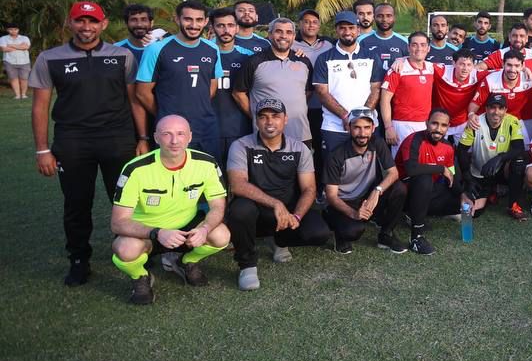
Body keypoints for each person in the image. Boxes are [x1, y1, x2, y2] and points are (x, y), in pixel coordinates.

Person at [31, 1, 148, 286]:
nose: (87, 27)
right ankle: (79, 260)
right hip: (73, 141)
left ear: (103, 24)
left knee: (126, 201)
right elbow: (40, 106)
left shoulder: (121, 56)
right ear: (70, 23)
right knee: (77, 203)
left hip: (117, 139)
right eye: (80, 21)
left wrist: (143, 138)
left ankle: (137, 251)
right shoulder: (50, 58)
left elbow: (134, 100)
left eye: (93, 21)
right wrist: (42, 149)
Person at [109, 115, 231, 304]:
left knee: (222, 235)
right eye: (167, 134)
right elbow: (118, 223)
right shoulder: (135, 169)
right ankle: (140, 276)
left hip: (186, 229)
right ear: (156, 138)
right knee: (125, 249)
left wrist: (205, 229)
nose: (175, 141)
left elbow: (217, 206)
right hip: (148, 231)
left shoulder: (207, 164)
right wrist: (157, 233)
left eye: (180, 134)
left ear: (190, 137)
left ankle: (187, 261)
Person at [225, 99, 329, 290]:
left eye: (275, 116)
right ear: (256, 121)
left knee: (319, 233)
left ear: (285, 119)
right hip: (255, 211)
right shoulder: (240, 145)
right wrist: (275, 204)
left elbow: (309, 189)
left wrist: (297, 216)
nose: (269, 122)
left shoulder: (299, 148)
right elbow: (237, 185)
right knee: (240, 210)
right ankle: (247, 265)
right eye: (263, 117)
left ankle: (279, 241)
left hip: (287, 212)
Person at [135, 0, 222, 155]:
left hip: (207, 128)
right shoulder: (156, 49)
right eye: (188, 19)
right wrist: (166, 115)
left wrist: (197, 108)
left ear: (206, 21)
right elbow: (142, 92)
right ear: (177, 19)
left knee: (210, 169)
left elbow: (212, 86)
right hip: (172, 131)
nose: (194, 25)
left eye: (199, 20)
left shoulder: (212, 48)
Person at [322, 108, 407, 254]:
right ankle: (337, 229)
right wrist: (353, 214)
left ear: (373, 128)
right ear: (349, 128)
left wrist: (377, 191)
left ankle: (386, 234)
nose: (362, 133)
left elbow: (394, 173)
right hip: (343, 201)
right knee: (353, 231)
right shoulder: (336, 155)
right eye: (357, 127)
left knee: (399, 188)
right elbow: (331, 196)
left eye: (367, 127)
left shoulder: (377, 143)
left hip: (366, 196)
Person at [312, 11, 384, 157]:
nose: (347, 32)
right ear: (336, 30)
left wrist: (361, 118)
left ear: (358, 30)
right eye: (342, 28)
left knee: (367, 167)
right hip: (334, 127)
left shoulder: (371, 56)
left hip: (366, 126)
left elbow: (376, 89)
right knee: (334, 167)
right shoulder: (324, 58)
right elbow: (322, 93)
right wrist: (345, 116)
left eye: (351, 28)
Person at [233, 17, 314, 147]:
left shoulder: (304, 62)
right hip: (266, 134)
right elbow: (238, 93)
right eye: (278, 31)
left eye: (288, 32)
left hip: (300, 133)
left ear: (294, 36)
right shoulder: (254, 62)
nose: (283, 36)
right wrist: (257, 116)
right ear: (270, 35)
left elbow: (308, 92)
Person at [395, 108, 463, 255]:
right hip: (404, 193)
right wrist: (440, 168)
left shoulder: (448, 147)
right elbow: (411, 169)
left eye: (443, 125)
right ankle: (416, 237)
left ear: (448, 127)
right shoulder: (414, 140)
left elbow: (451, 176)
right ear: (426, 123)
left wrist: (463, 196)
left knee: (460, 204)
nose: (438, 129)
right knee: (424, 179)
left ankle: (413, 215)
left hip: (428, 192)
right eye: (434, 123)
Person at [457, 93, 528, 221]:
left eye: (500, 108)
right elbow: (461, 150)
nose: (496, 112)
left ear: (505, 110)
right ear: (486, 109)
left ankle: (513, 205)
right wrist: (467, 177)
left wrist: (500, 158)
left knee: (518, 161)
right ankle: (492, 191)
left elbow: (519, 148)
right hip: (481, 172)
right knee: (475, 212)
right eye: (492, 107)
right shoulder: (475, 122)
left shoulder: (512, 121)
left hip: (501, 169)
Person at [208, 7, 254, 164]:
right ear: (212, 27)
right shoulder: (202, 53)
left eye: (230, 25)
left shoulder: (248, 57)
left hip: (240, 129)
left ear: (237, 28)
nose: (226, 30)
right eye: (220, 25)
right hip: (208, 129)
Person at [378, 31, 435, 149]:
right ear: (408, 48)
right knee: (402, 159)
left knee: (422, 158)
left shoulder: (432, 67)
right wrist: (388, 127)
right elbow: (384, 100)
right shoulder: (397, 69)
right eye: (414, 45)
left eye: (423, 45)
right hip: (402, 125)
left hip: (426, 124)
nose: (419, 48)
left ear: (428, 48)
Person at [471, 49, 532, 141]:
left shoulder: (530, 79)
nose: (512, 70)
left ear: (522, 66)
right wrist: (471, 114)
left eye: (517, 66)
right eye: (509, 65)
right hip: (492, 120)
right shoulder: (490, 80)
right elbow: (475, 103)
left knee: (524, 148)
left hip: (516, 121)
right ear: (503, 64)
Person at [293, 9, 333, 158]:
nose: (311, 25)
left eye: (315, 22)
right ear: (300, 24)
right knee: (302, 146)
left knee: (322, 147)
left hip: (325, 105)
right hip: (301, 105)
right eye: (307, 22)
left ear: (319, 25)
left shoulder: (329, 43)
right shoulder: (291, 44)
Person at [433, 49, 485, 141]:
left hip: (462, 122)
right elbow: (420, 64)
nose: (465, 68)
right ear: (454, 63)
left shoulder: (477, 75)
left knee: (463, 149)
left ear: (473, 65)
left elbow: (500, 72)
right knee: (438, 148)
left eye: (469, 65)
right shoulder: (442, 71)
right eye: (462, 64)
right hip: (440, 121)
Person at [358, 2, 409, 73]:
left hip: (395, 80)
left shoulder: (404, 42)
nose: (384, 19)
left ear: (394, 18)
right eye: (380, 16)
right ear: (374, 17)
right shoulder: (361, 41)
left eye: (388, 16)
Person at [3, 20, 32, 99]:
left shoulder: (24, 38)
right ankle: (17, 95)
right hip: (9, 61)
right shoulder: (3, 38)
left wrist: (11, 45)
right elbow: (4, 49)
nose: (13, 31)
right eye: (11, 29)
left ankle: (24, 94)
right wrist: (20, 46)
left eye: (15, 29)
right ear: (7, 30)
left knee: (24, 78)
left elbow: (26, 47)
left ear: (18, 30)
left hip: (24, 61)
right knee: (13, 78)